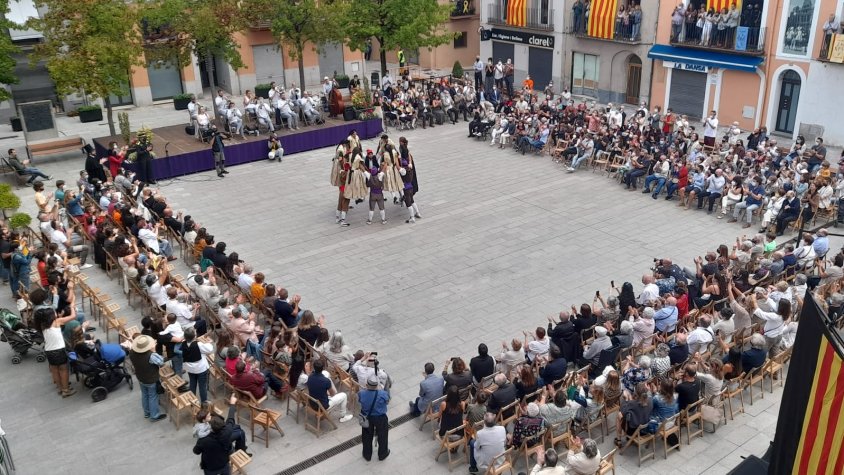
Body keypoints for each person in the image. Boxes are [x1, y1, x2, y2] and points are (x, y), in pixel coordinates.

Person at [193, 394, 250, 474]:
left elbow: (196, 451)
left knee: (238, 428)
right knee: (240, 432)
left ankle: (241, 448)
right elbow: (230, 420)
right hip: (224, 462)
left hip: (210, 467)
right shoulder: (225, 432)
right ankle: (241, 449)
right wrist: (232, 404)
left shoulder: (203, 440)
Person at [34, 306, 78, 398]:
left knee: (55, 370)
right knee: (63, 370)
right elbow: (73, 316)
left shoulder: (42, 325)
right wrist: (72, 306)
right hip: (59, 351)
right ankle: (66, 390)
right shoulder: (57, 322)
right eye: (54, 312)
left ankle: (61, 388)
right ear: (51, 316)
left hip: (49, 351)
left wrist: (60, 316)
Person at [127, 334, 167, 421]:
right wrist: (154, 350)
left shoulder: (132, 352)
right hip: (151, 378)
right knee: (153, 396)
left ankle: (146, 412)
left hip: (140, 377)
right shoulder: (151, 355)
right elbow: (161, 362)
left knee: (144, 395)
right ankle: (154, 415)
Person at [359, 376, 390, 461]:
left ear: (366, 385)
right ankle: (382, 454)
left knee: (366, 436)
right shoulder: (383, 394)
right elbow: (387, 401)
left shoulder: (361, 393)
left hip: (367, 417)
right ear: (377, 385)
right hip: (380, 417)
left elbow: (360, 402)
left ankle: (367, 455)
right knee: (383, 435)